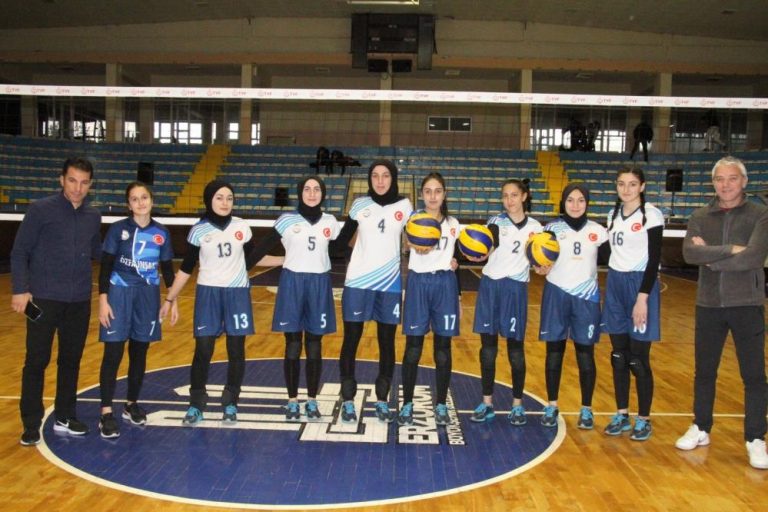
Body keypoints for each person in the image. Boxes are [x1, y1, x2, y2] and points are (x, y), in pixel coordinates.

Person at [159, 180, 282, 426]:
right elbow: (186, 268)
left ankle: (231, 402)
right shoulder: (198, 230)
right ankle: (196, 404)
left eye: (229, 198)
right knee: (203, 350)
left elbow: (254, 259)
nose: (225, 202)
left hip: (237, 294)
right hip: (209, 294)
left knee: (236, 351)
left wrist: (287, 259)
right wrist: (170, 298)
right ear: (209, 200)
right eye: (219, 197)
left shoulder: (241, 226)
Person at [676, 156, 768, 470]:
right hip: (709, 304)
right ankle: (701, 426)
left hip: (747, 304)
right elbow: (690, 253)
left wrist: (711, 258)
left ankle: (755, 438)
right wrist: (730, 250)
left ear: (744, 182)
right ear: (713, 183)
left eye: (732, 178)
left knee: (754, 375)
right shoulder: (700, 215)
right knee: (704, 371)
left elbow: (754, 256)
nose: (725, 185)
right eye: (719, 179)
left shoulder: (760, 214)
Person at [11, 157, 102, 445]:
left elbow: (99, 253)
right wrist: (20, 289)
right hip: (42, 301)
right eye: (72, 180)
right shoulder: (40, 210)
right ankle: (30, 422)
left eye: (84, 182)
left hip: (79, 302)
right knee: (36, 361)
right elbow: (20, 251)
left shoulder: (93, 216)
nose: (77, 188)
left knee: (70, 361)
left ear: (90, 185)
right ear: (61, 179)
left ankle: (65, 415)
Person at [250, 176, 340, 421]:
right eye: (307, 189)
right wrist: (241, 268)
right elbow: (257, 252)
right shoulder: (286, 220)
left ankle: (311, 400)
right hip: (292, 283)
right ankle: (292, 400)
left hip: (319, 283)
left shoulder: (330, 222)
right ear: (300, 193)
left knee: (314, 345)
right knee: (292, 345)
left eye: (317, 189)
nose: (312, 193)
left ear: (323, 193)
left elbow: (344, 249)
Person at [96, 182, 178, 438]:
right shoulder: (117, 229)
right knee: (113, 352)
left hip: (147, 295)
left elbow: (167, 269)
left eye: (144, 197)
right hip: (119, 293)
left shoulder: (161, 232)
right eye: (134, 199)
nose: (140, 202)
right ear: (128, 204)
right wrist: (103, 300)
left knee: (139, 351)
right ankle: (106, 412)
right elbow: (105, 266)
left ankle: (131, 404)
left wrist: (172, 299)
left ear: (151, 200)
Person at [335, 159, 413, 423]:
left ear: (394, 178)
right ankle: (347, 400)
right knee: (351, 340)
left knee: (386, 342)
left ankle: (382, 399)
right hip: (357, 282)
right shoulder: (359, 205)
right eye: (375, 176)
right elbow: (341, 241)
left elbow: (419, 239)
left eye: (386, 175)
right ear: (369, 179)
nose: (380, 181)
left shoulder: (405, 206)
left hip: (389, 284)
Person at [469, 179, 542, 425]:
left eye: (514, 195)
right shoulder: (495, 223)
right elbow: (486, 249)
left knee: (516, 352)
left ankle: (517, 405)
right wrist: (475, 253)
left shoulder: (536, 228)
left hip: (515, 289)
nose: (509, 200)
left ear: (524, 196)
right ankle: (487, 403)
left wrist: (543, 266)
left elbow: (540, 259)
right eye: (505, 196)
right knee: (488, 351)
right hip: (491, 287)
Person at [536, 183, 608, 429]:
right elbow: (538, 258)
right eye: (570, 200)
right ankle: (552, 405)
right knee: (554, 353)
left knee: (585, 354)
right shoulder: (551, 229)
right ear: (563, 202)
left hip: (586, 299)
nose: (575, 205)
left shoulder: (598, 231)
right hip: (556, 294)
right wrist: (538, 267)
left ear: (587, 203)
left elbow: (613, 259)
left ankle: (586, 409)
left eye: (580, 200)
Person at [601, 168, 664, 441]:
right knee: (619, 356)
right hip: (615, 284)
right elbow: (605, 253)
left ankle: (644, 418)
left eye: (632, 184)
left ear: (642, 186)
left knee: (638, 359)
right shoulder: (612, 215)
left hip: (640, 286)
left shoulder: (651, 214)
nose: (626, 189)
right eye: (621, 184)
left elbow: (654, 259)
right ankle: (622, 413)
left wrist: (642, 298)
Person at [397, 173, 461, 426]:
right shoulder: (413, 220)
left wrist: (457, 265)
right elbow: (404, 245)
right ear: (421, 194)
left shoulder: (454, 224)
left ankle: (441, 404)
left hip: (445, 284)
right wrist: (410, 243)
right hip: (418, 283)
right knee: (413, 348)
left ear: (444, 194)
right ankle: (407, 404)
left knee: (443, 349)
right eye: (427, 191)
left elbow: (462, 255)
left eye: (437, 191)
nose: (433, 196)